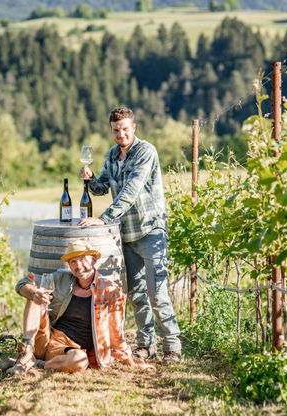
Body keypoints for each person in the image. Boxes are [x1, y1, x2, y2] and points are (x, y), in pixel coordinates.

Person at [78, 107, 181, 363]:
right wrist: (90, 180)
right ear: (111, 130)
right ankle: (147, 345)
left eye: (125, 128)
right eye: (116, 130)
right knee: (136, 294)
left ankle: (172, 347)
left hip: (150, 231)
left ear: (133, 127)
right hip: (126, 235)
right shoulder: (113, 155)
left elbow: (130, 192)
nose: (120, 134)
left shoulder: (146, 151)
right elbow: (103, 187)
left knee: (157, 293)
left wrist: (103, 218)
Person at [2, 240, 155, 374]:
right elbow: (22, 283)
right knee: (35, 296)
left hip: (71, 351)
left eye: (82, 260)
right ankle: (26, 353)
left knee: (80, 361)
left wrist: (133, 365)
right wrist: (34, 293)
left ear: (94, 260)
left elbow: (116, 335)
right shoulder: (61, 278)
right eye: (73, 262)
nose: (78, 266)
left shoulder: (110, 291)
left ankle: (34, 364)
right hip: (45, 337)